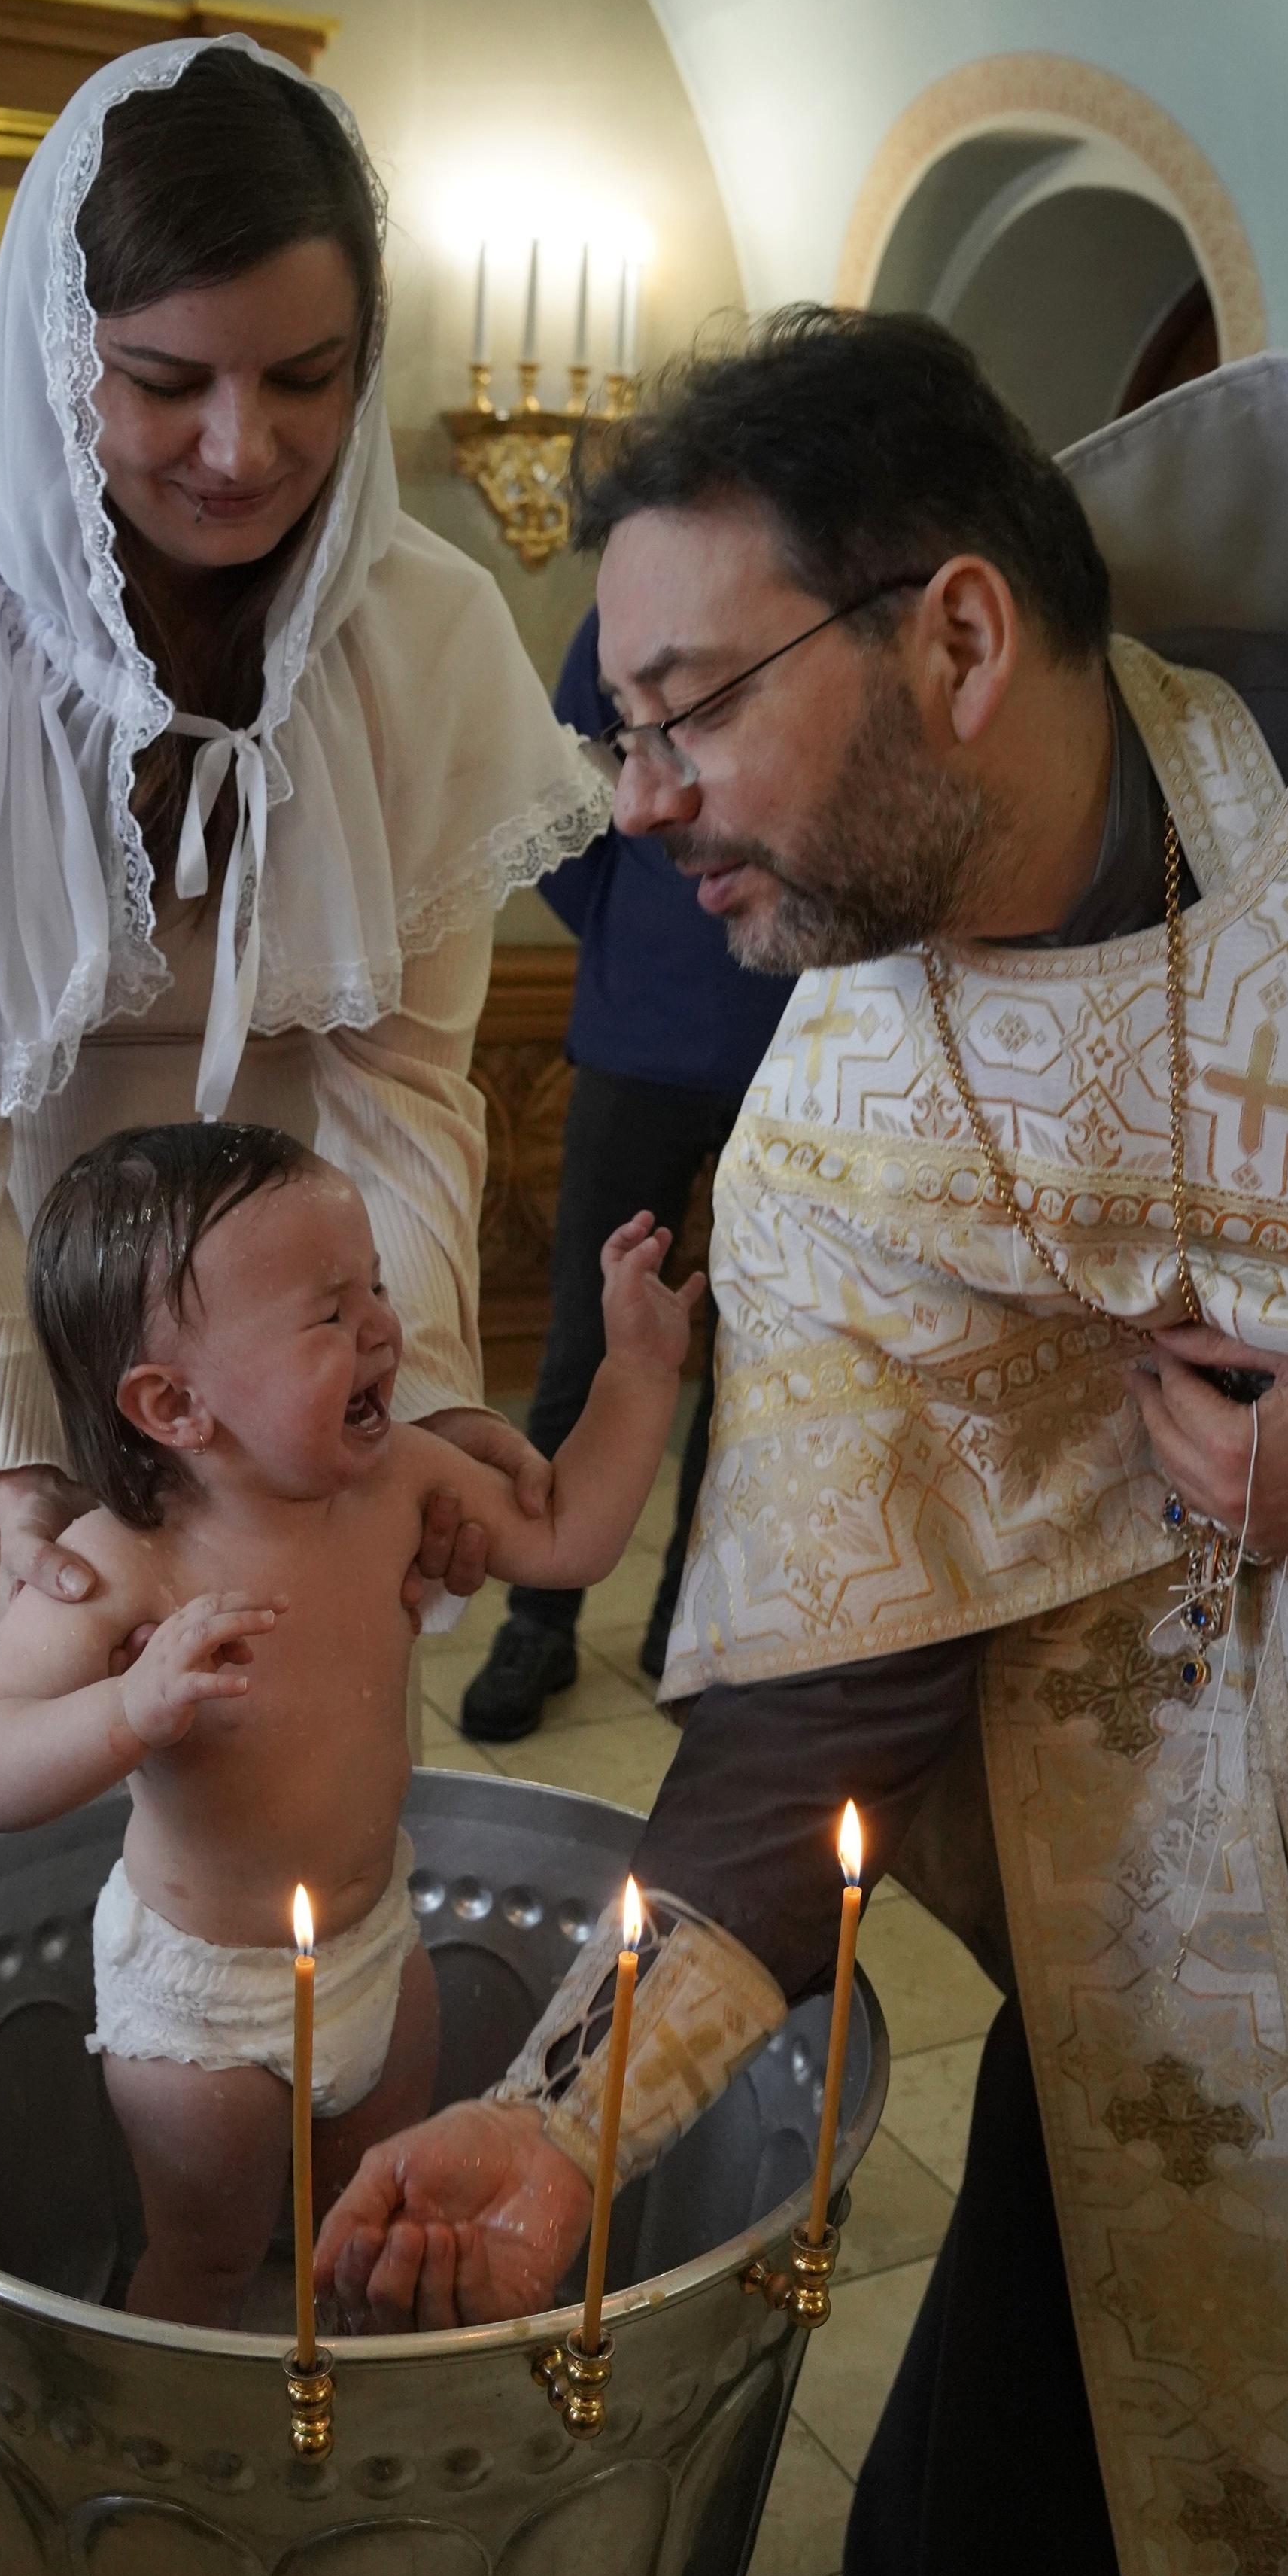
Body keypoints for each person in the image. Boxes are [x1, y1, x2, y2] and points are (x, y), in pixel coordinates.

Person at [317, 312, 1288, 2576]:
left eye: (685, 710)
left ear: (956, 636)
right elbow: (817, 1709)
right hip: (1162, 2043)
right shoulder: (851, 1106)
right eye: (614, 729)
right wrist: (564, 2117)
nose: (630, 805)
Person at [0, 37, 607, 1920]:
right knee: (4, 1861)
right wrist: (23, 1467)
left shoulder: (425, 633)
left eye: (304, 378)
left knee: (276, 1859)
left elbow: (402, 1093)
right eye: (163, 381)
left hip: (286, 1377)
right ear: (64, 358)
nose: (241, 447)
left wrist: (407, 1389)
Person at [0, 1119, 697, 2325]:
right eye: (330, 1314)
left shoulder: (401, 1476)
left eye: (377, 1291)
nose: (384, 1331)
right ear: (174, 1403)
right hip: (200, 2005)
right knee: (210, 2255)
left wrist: (637, 1376)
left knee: (366, 2218)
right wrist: (126, 1709)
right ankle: (188, 2448)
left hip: (374, 1951)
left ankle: (338, 2402)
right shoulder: (120, 1564)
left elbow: (572, 1539)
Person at [459, 606, 791, 1740]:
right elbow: (566, 796)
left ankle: (683, 1619)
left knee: (750, 1357)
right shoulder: (623, 609)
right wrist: (617, 917)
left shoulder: (807, 588)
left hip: (797, 1044)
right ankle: (538, 1619)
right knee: (585, 1342)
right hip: (634, 1032)